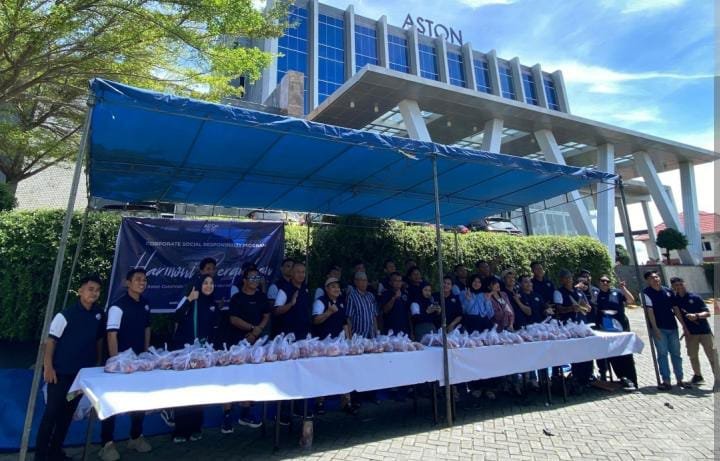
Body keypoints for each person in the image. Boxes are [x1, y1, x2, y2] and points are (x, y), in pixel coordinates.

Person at [35, 275, 104, 461]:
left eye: (97, 290)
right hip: (60, 376)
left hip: (79, 379)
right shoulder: (65, 315)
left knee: (66, 415)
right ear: (80, 291)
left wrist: (97, 362)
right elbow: (50, 342)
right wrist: (48, 367)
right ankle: (40, 456)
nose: (94, 293)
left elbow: (99, 340)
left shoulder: (99, 315)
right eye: (90, 289)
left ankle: (56, 452)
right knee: (51, 414)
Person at [99, 268, 152, 461]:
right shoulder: (117, 307)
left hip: (138, 363)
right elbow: (111, 335)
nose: (142, 282)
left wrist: (145, 354)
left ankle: (136, 437)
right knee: (111, 403)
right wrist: (116, 362)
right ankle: (107, 444)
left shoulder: (145, 304)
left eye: (144, 280)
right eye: (138, 279)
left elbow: (147, 329)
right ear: (128, 283)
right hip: (117, 366)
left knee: (139, 401)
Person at [171, 274, 220, 443]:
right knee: (183, 389)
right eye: (205, 283)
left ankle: (196, 427)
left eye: (211, 283)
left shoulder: (213, 305)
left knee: (199, 390)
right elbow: (176, 317)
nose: (208, 286)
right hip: (184, 354)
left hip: (202, 355)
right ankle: (180, 429)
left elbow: (215, 330)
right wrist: (190, 299)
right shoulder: (189, 299)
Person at [221, 268, 270, 433]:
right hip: (235, 343)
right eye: (252, 277)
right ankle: (227, 416)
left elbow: (266, 315)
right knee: (231, 379)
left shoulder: (261, 297)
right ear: (244, 280)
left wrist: (257, 331)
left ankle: (245, 412)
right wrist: (251, 328)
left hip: (255, 343)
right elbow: (233, 319)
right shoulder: (237, 298)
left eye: (257, 277)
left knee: (249, 377)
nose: (255, 280)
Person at [642, 270, 690, 390]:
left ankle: (680, 379)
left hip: (672, 327)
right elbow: (650, 312)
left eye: (656, 277)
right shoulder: (645, 293)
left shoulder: (668, 291)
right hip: (659, 329)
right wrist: (655, 329)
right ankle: (666, 381)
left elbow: (675, 309)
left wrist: (683, 325)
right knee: (662, 354)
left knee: (676, 354)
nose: (655, 279)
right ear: (647, 281)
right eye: (652, 278)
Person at [671, 277, 718, 388]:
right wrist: (684, 328)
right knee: (692, 356)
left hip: (704, 332)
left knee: (712, 356)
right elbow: (677, 314)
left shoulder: (695, 297)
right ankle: (698, 376)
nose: (679, 287)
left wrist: (696, 315)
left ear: (684, 284)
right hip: (690, 333)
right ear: (673, 287)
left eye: (681, 284)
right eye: (676, 285)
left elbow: (707, 313)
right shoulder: (675, 300)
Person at [595, 275, 638, 388]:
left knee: (625, 353)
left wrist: (624, 288)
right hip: (605, 329)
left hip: (621, 327)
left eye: (607, 281)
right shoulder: (596, 295)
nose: (605, 283)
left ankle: (630, 378)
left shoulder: (617, 292)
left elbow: (631, 300)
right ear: (599, 282)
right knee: (611, 354)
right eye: (603, 281)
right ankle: (615, 377)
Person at [553, 269, 593, 389]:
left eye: (570, 277)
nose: (569, 279)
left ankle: (587, 377)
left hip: (582, 325)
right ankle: (577, 378)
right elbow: (559, 309)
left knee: (587, 352)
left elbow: (588, 307)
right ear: (561, 280)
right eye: (566, 277)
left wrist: (586, 307)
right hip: (568, 328)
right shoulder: (558, 292)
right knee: (576, 353)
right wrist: (571, 308)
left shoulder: (579, 291)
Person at [273, 262, 311, 339]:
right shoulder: (284, 290)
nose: (301, 275)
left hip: (303, 333)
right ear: (292, 273)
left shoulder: (305, 288)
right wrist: (291, 303)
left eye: (303, 272)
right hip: (288, 335)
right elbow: (276, 311)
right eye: (298, 272)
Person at [346, 271, 379, 338]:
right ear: (355, 282)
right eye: (361, 280)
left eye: (365, 280)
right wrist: (350, 337)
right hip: (358, 337)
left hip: (372, 336)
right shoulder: (351, 297)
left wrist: (376, 333)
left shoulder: (371, 296)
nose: (364, 283)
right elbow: (348, 318)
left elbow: (374, 316)